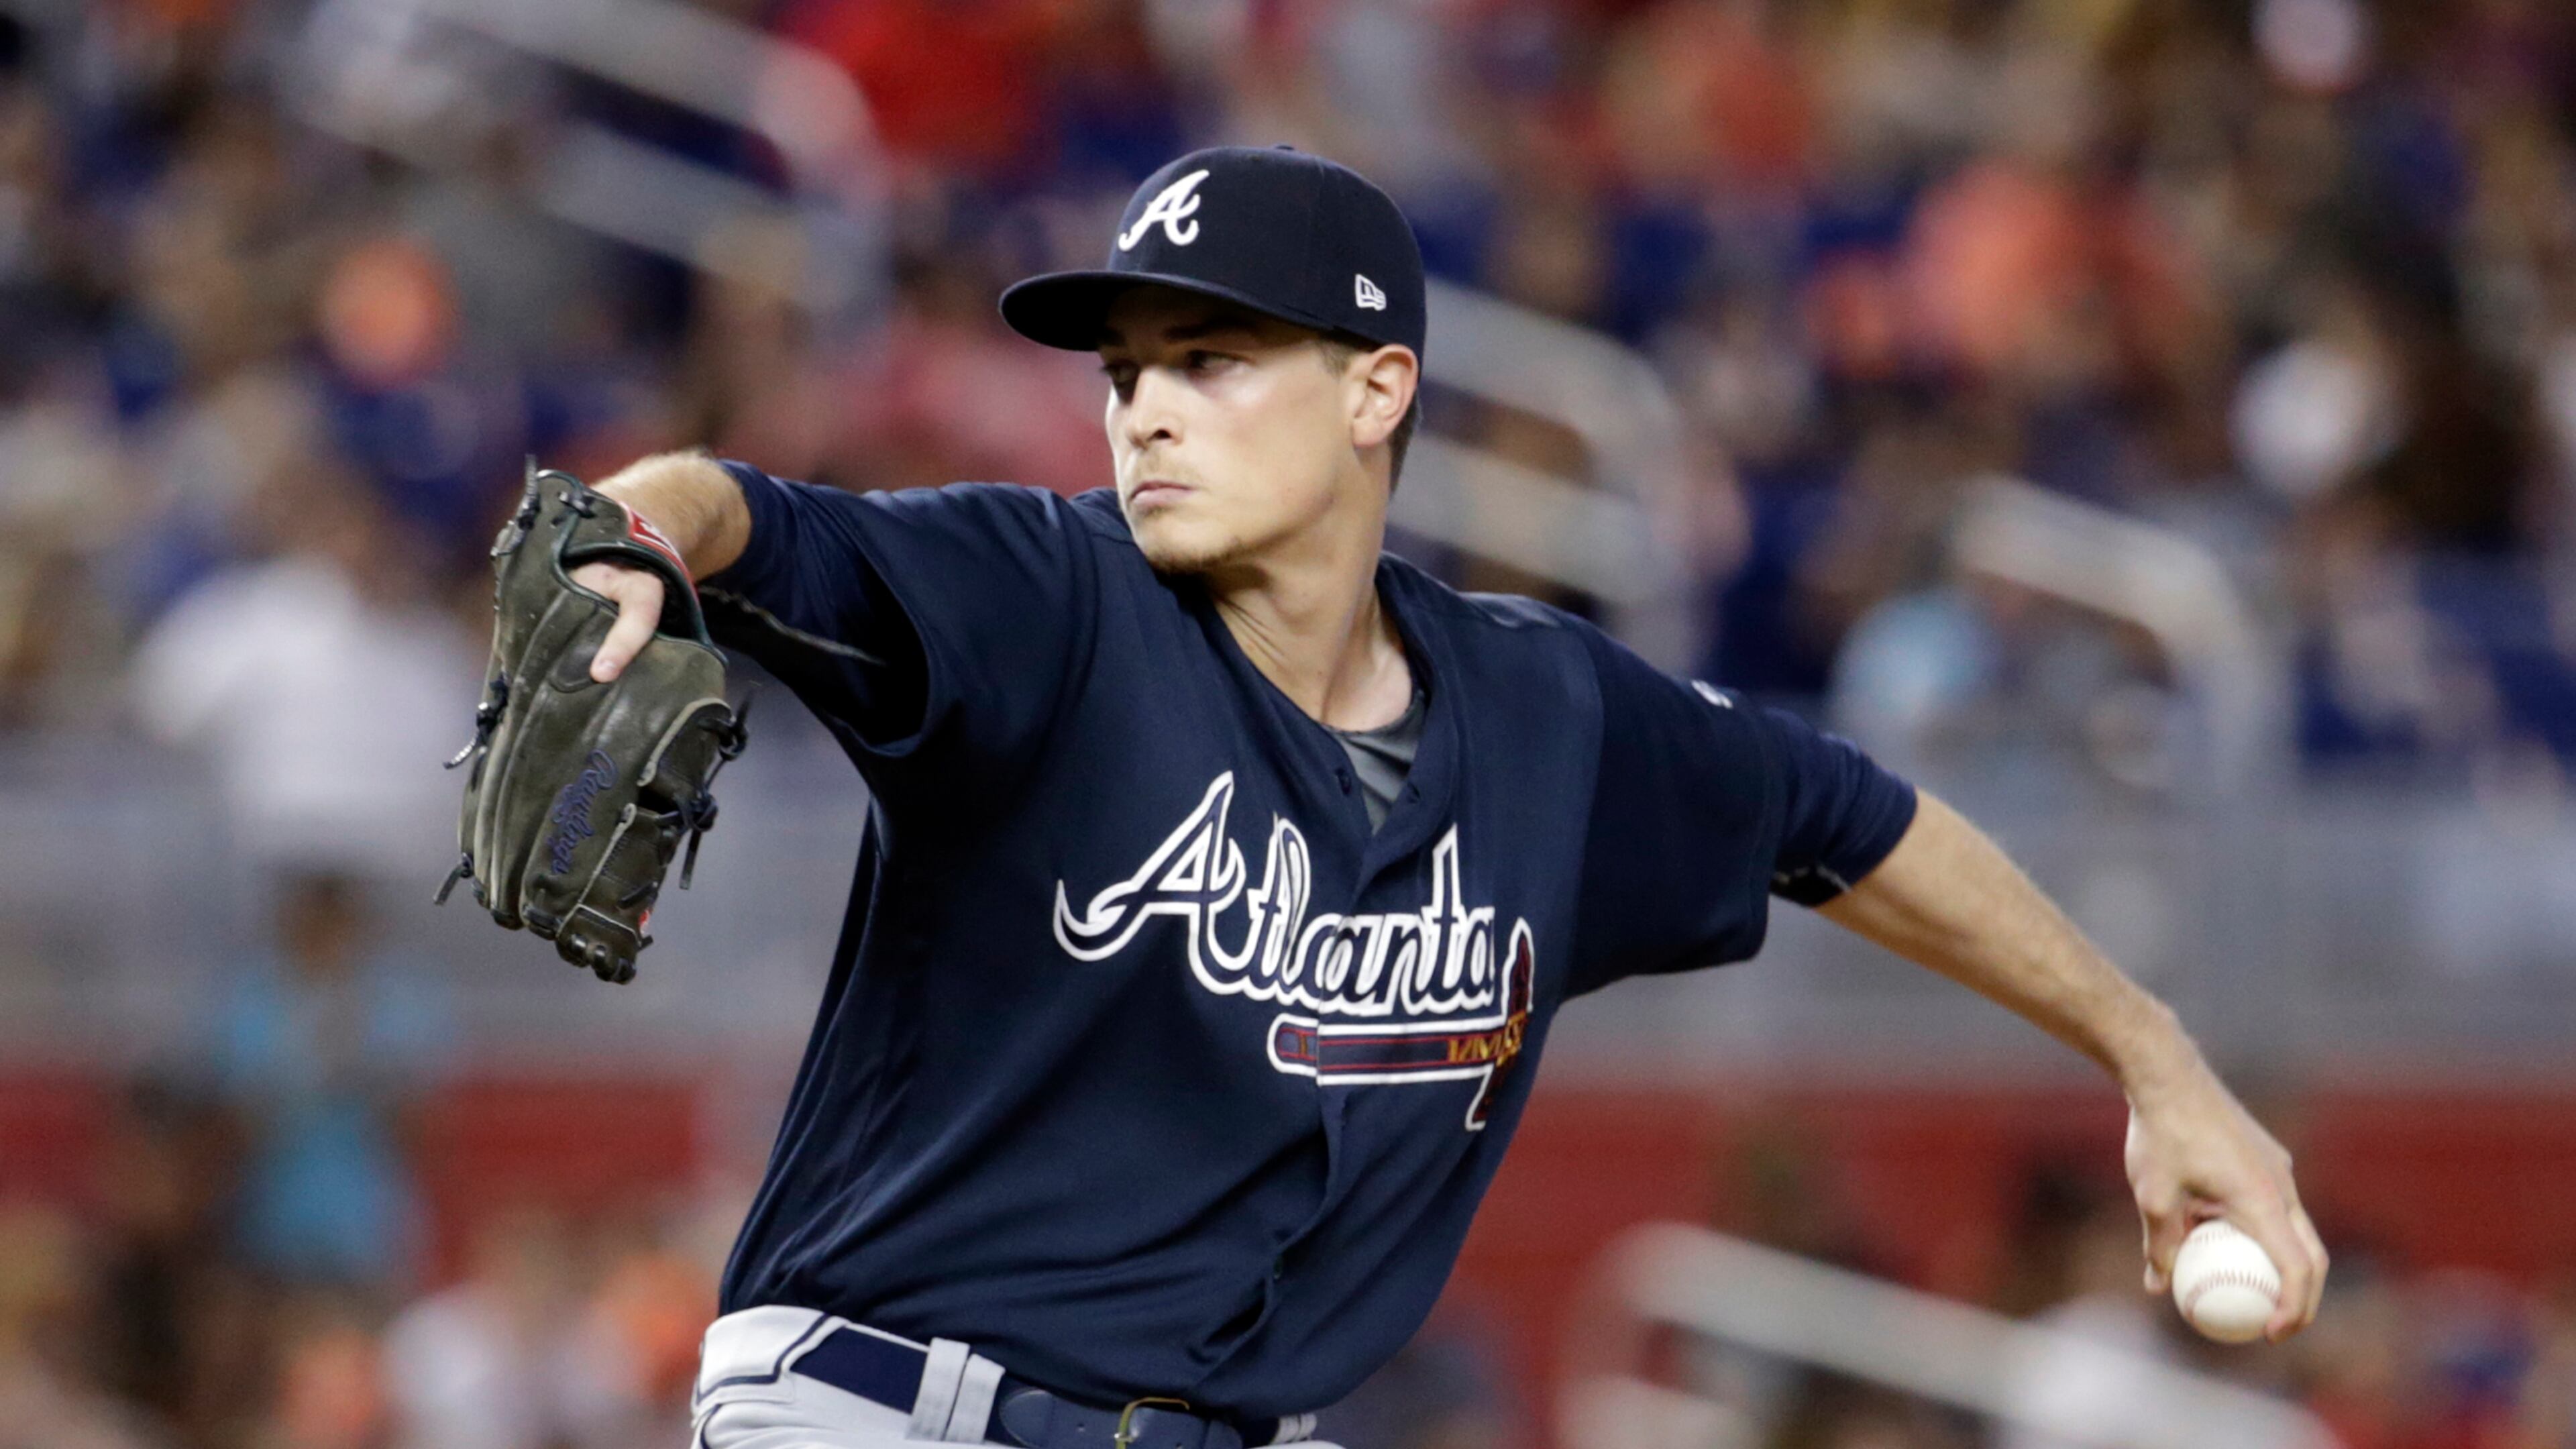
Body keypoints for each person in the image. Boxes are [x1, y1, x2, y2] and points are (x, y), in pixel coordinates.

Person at [569, 147, 2325, 1449]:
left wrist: (2149, 1058)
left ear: (1377, 391)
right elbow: (746, 511)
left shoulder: (1546, 714)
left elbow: (1854, 826)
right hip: (891, 1411)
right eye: (1124, 374)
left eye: (1210, 359)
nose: (1145, 417)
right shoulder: (1045, 598)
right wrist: (631, 535)